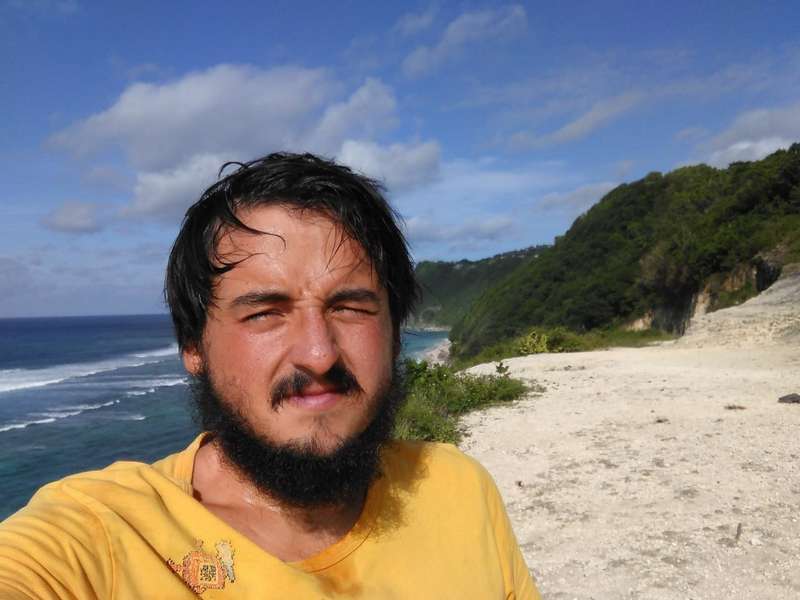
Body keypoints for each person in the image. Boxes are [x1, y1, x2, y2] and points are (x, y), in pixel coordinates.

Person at [0, 152, 540, 599]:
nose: (318, 354)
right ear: (193, 345)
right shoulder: (103, 537)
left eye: (351, 307)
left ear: (395, 332)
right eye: (265, 313)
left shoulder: (456, 486)